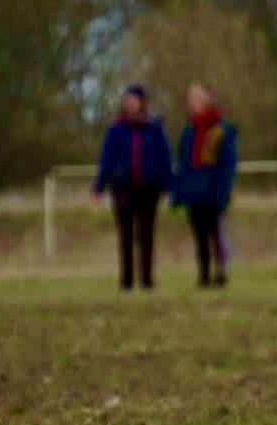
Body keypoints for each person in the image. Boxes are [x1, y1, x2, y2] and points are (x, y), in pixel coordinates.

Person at [93, 84, 173, 291]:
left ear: (142, 102)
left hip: (149, 188)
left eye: (133, 99)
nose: (130, 103)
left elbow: (164, 158)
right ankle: (126, 281)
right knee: (125, 236)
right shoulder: (115, 130)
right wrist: (99, 185)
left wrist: (168, 184)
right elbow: (107, 160)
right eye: (127, 99)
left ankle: (147, 280)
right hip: (122, 188)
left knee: (146, 236)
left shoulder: (154, 129)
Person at [172, 83, 239, 288]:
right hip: (194, 193)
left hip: (213, 191)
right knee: (199, 236)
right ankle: (203, 274)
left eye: (198, 98)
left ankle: (221, 271)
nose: (194, 103)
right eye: (191, 99)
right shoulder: (188, 132)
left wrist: (222, 192)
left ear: (208, 100)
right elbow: (183, 165)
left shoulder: (222, 130)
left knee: (216, 233)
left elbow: (227, 164)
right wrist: (179, 191)